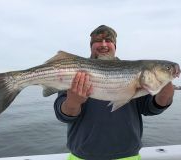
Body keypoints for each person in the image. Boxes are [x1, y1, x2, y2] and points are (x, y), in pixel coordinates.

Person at [54, 25, 174, 160]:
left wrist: (165, 93)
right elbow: (63, 115)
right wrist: (73, 102)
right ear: (91, 46)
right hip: (82, 156)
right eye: (98, 41)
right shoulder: (73, 72)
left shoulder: (135, 72)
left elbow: (150, 108)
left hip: (128, 156)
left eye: (108, 40)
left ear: (115, 46)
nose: (104, 44)